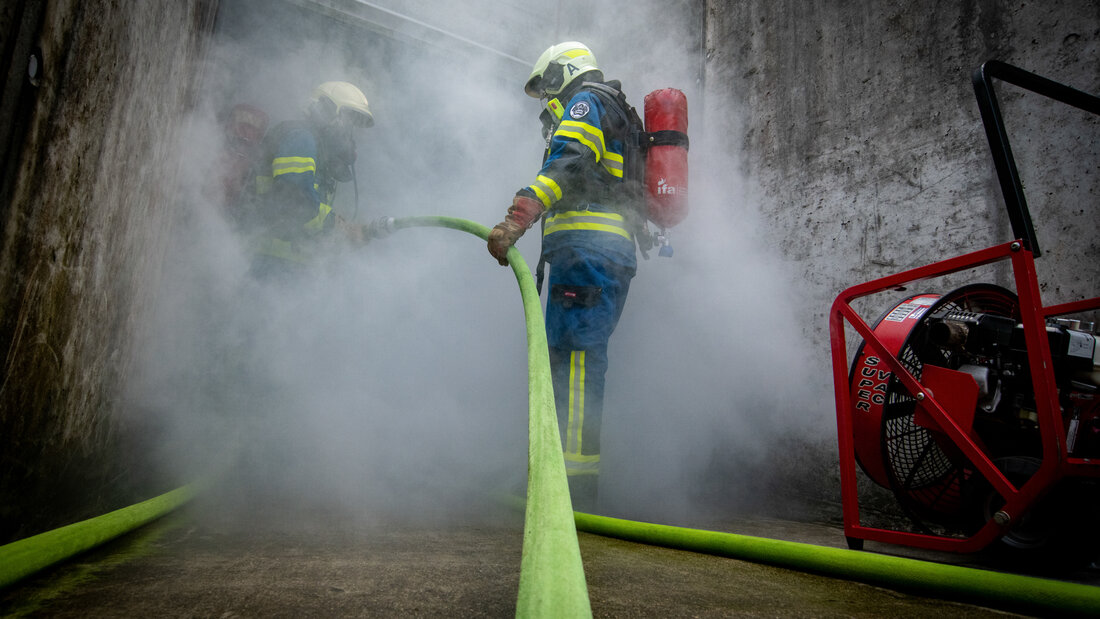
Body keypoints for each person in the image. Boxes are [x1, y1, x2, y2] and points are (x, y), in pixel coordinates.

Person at [487, 42, 643, 511]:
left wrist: (521, 213)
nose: (546, 102)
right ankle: (554, 476)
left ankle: (572, 492)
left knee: (575, 366)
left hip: (588, 255)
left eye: (545, 88)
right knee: (565, 364)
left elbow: (570, 159)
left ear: (563, 72)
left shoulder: (586, 101)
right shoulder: (614, 107)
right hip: (593, 256)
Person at [242, 80, 391, 277]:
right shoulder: (301, 140)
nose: (349, 134)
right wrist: (342, 228)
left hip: (288, 269)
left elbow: (309, 211)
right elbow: (294, 203)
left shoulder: (317, 150)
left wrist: (342, 230)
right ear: (324, 111)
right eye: (346, 122)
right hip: (271, 267)